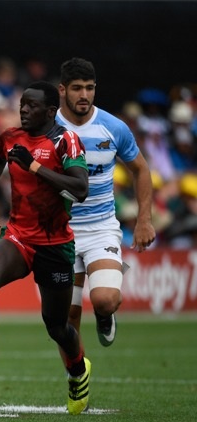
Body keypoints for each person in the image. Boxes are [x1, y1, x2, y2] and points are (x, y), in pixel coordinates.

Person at [0, 81, 93, 415]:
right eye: (22, 104)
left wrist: (35, 167)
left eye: (31, 105)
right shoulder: (11, 137)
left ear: (51, 111)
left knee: (56, 326)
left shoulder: (64, 140)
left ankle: (78, 370)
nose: (23, 110)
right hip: (18, 236)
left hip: (55, 244)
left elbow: (80, 187)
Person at [56, 58, 156, 346]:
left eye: (89, 88)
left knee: (105, 299)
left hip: (100, 228)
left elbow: (141, 169)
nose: (84, 95)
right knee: (66, 315)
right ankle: (77, 382)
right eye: (77, 88)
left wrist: (144, 220)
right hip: (61, 232)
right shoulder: (48, 129)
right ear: (62, 90)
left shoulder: (113, 127)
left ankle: (105, 314)